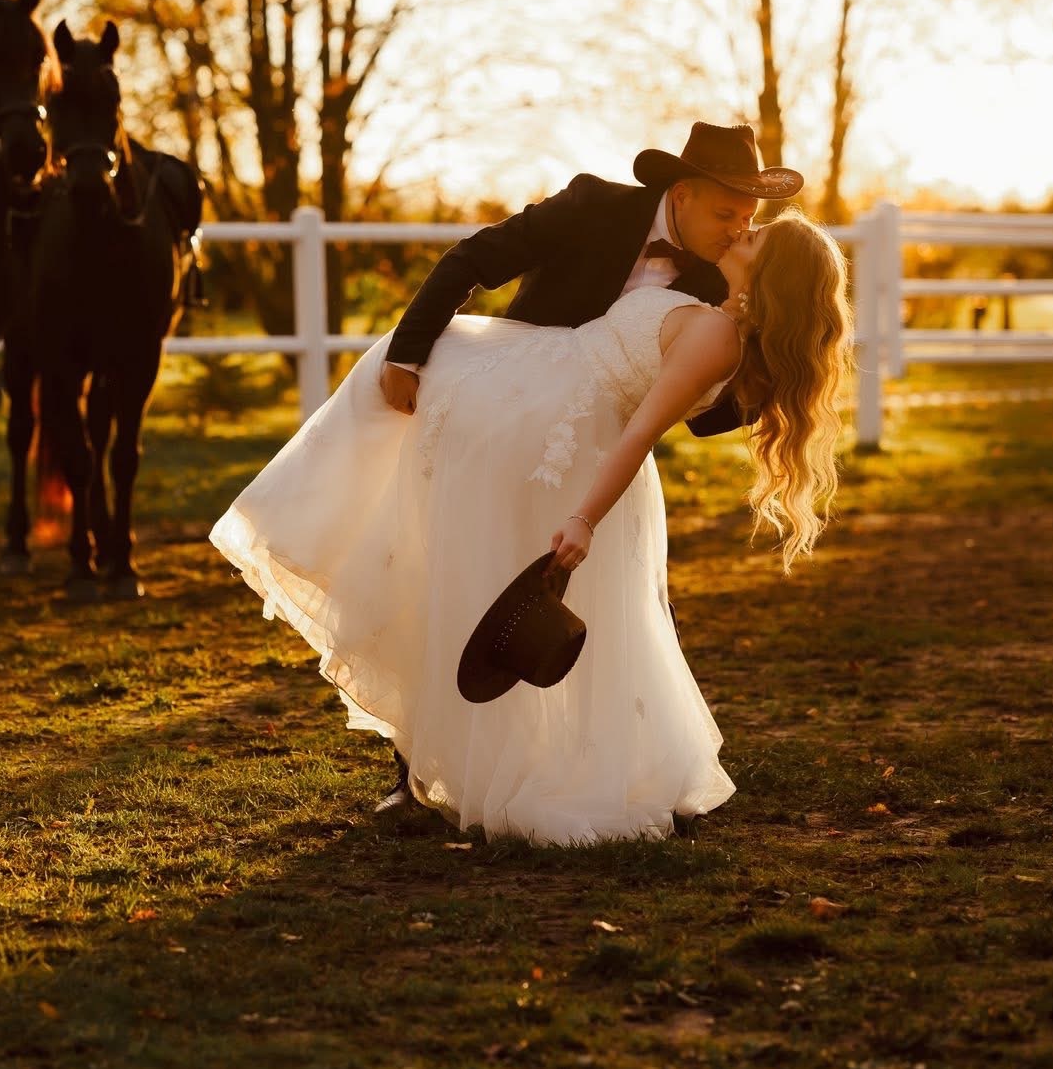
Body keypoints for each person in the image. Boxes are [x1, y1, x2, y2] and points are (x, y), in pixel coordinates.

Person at [208, 127, 852, 845]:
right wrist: (409, 353)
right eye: (727, 213)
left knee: (589, 612)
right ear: (682, 195)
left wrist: (774, 372)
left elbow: (697, 411)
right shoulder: (592, 207)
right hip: (505, 409)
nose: (737, 228)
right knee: (447, 571)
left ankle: (591, 764)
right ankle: (418, 770)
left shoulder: (722, 278)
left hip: (589, 449)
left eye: (748, 219)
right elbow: (472, 259)